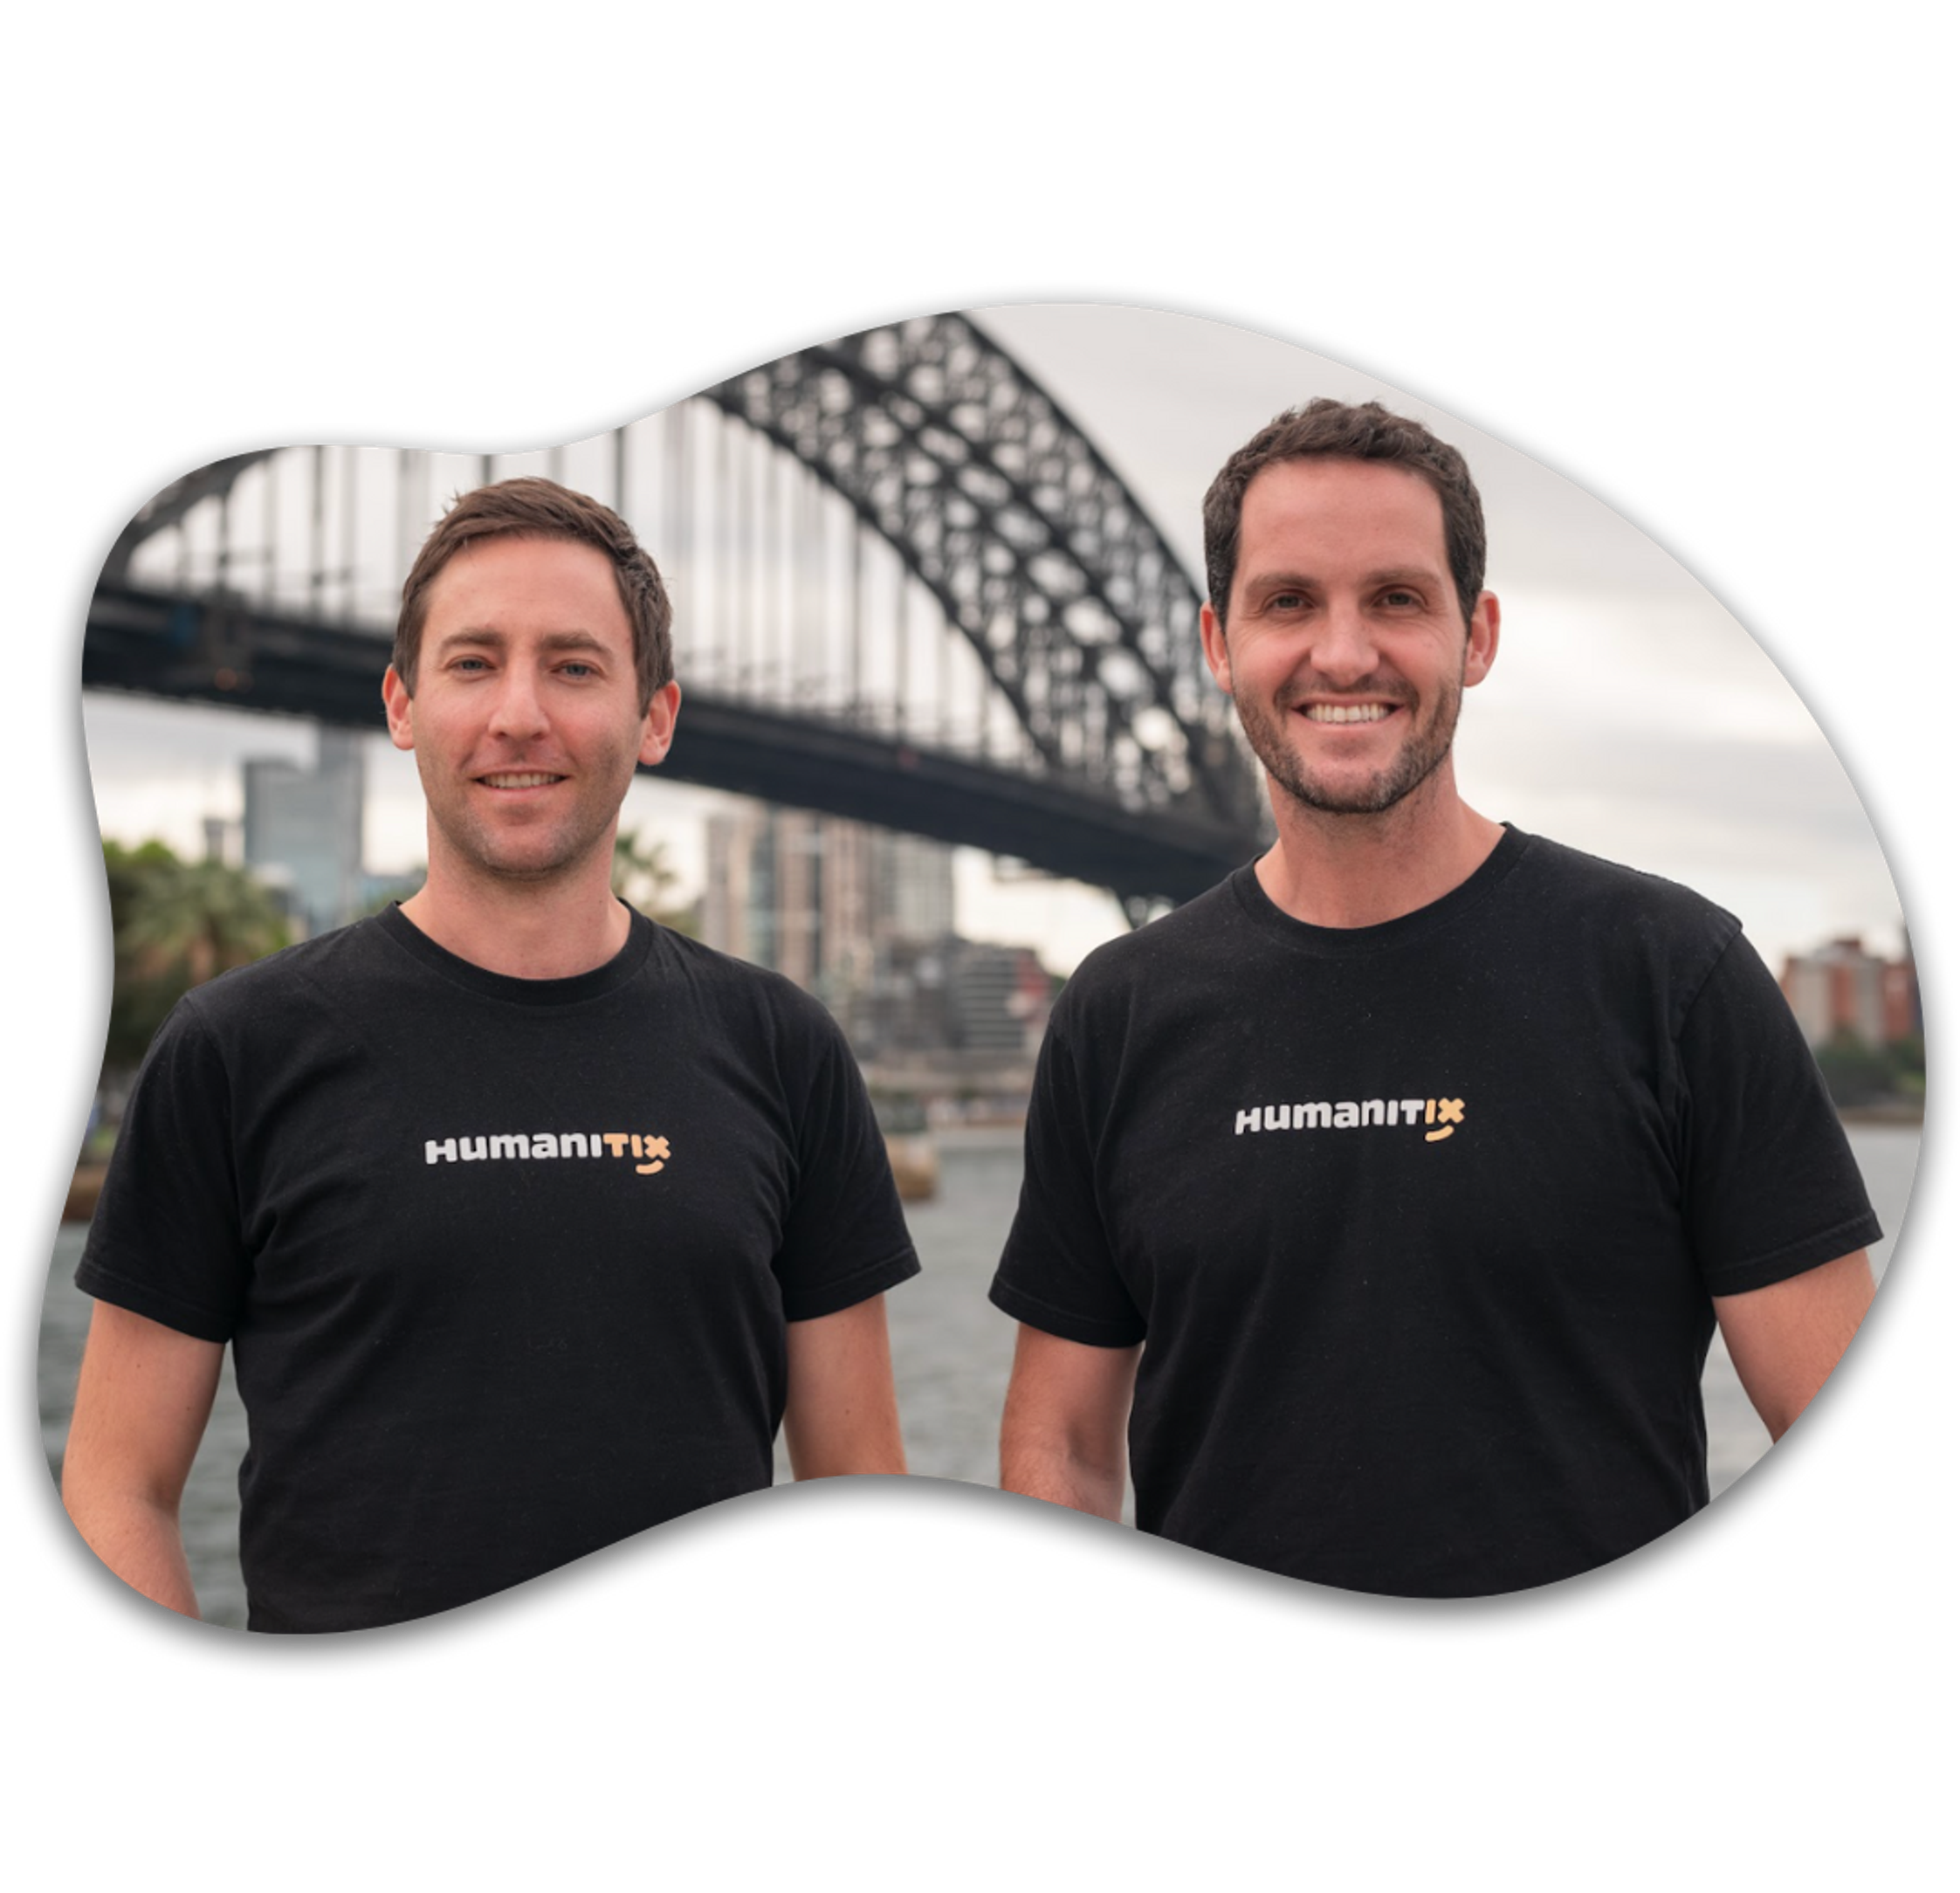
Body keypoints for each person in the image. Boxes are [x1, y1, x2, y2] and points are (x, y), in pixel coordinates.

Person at [991, 402, 1878, 1596]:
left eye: (1398, 599)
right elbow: (1063, 1446)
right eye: (1289, 601)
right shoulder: (1120, 1010)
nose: (1344, 655)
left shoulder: (1674, 973)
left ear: (1478, 635)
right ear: (1217, 641)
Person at [68, 478, 918, 1631]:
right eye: (473, 663)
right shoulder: (236, 1048)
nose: (519, 714)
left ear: (655, 716)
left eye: (573, 666)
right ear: (402, 704)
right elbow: (119, 1486)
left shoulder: (781, 1047)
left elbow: (857, 1470)